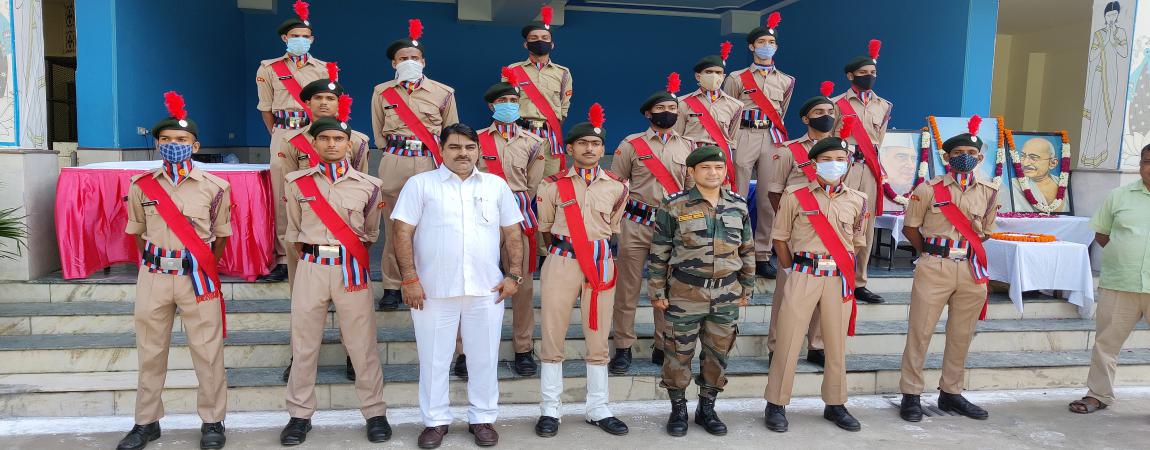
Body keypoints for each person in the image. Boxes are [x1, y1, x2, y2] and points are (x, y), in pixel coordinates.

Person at [391, 124, 524, 449]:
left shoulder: (495, 186)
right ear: (441, 150)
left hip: (487, 290)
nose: (463, 153)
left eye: (469, 147)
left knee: (484, 358)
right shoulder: (420, 184)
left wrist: (514, 275)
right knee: (434, 359)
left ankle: (483, 418)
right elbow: (402, 232)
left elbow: (512, 233)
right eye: (454, 147)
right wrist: (409, 278)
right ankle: (435, 421)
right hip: (432, 291)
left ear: (478, 150)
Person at [117, 92, 230, 450]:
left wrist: (201, 264)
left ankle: (213, 421)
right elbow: (138, 233)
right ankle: (146, 422)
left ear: (195, 146)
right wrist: (156, 261)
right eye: (165, 139)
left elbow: (221, 236)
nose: (173, 144)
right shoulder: (141, 185)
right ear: (157, 145)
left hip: (197, 277)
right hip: (154, 276)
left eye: (181, 139)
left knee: (208, 351)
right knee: (150, 351)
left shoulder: (216, 187)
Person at [278, 105, 391, 446]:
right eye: (324, 138)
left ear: (349, 144)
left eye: (338, 139)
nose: (331, 144)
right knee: (304, 344)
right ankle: (299, 416)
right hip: (312, 266)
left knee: (362, 344)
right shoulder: (296, 183)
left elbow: (371, 232)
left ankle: (375, 413)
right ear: (313, 143)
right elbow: (294, 231)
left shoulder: (370, 185)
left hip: (350, 268)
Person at [534, 104, 631, 438]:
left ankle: (598, 407)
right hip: (562, 259)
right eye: (583, 143)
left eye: (596, 144)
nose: (590, 148)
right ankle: (550, 409)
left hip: (601, 262)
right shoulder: (551, 185)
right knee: (552, 333)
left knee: (598, 335)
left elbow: (613, 226)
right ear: (570, 148)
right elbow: (545, 228)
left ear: (603, 149)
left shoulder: (619, 186)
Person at [648, 145, 754, 437]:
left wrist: (747, 286)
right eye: (705, 168)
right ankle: (678, 409)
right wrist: (657, 290)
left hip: (726, 292)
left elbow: (747, 249)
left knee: (718, 354)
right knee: (677, 353)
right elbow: (659, 251)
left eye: (718, 168)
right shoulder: (674, 205)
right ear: (692, 172)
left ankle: (707, 408)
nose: (713, 173)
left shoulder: (738, 205)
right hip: (685, 292)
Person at [898, 116, 998, 423]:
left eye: (970, 153)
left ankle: (951, 392)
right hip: (935, 266)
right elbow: (910, 228)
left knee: (961, 333)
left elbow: (986, 231)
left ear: (979, 158)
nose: (963, 157)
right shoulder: (928, 189)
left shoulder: (989, 191)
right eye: (957, 153)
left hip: (969, 267)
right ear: (947, 157)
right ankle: (911, 393)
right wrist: (931, 253)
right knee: (920, 331)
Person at [764, 137, 867, 433]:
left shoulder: (859, 199)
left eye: (840, 159)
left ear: (848, 163)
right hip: (804, 273)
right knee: (788, 340)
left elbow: (857, 240)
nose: (835, 164)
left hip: (838, 278)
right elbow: (780, 238)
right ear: (814, 164)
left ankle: (835, 403)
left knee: (835, 343)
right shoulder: (795, 195)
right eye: (827, 159)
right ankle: (776, 403)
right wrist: (791, 270)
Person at [373, 19, 460, 312]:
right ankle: (391, 285)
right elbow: (379, 134)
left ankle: (428, 279)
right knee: (395, 225)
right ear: (393, 64)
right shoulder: (382, 92)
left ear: (423, 62)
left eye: (414, 57)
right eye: (402, 58)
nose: (409, 62)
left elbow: (451, 134)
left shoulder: (443, 92)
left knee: (432, 225)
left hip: (429, 161)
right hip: (395, 160)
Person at [609, 75, 694, 374]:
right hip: (635, 224)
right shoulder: (631, 144)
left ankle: (663, 345)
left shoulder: (689, 145)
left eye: (672, 108)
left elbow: (691, 192)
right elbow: (616, 186)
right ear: (648, 113)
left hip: (671, 228)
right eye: (661, 108)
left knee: (667, 290)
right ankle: (623, 346)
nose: (668, 112)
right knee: (627, 289)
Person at [1068, 144, 1150, 414]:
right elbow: (1102, 234)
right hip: (1120, 282)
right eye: (1147, 161)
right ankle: (1098, 395)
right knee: (1106, 344)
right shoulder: (1119, 196)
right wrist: (1124, 255)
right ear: (1140, 164)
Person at [763, 82, 838, 367]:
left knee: (826, 291)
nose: (826, 116)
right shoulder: (789, 151)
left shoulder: (843, 152)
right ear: (806, 119)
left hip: (831, 233)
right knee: (787, 292)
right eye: (819, 112)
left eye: (830, 112)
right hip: (797, 233)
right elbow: (775, 192)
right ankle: (777, 345)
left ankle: (816, 344)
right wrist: (791, 224)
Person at [477, 77, 548, 376]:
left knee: (522, 285)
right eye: (502, 101)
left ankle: (523, 349)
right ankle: (468, 351)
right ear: (491, 106)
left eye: (513, 102)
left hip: (518, 216)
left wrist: (514, 207)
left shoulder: (534, 142)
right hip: (481, 216)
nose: (508, 106)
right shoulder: (476, 139)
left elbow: (533, 184)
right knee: (476, 283)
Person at [255, 0, 328, 281]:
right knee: (282, 195)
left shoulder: (323, 69)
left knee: (316, 190)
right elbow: (266, 108)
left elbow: (329, 104)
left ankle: (314, 248)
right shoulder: (269, 68)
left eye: (305, 36)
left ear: (312, 39)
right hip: (284, 132)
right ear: (285, 38)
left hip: (314, 133)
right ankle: (284, 258)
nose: (300, 40)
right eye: (294, 36)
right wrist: (277, 135)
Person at [722, 11, 795, 280]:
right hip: (743, 134)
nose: (767, 46)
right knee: (737, 196)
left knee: (768, 198)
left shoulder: (787, 80)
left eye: (771, 42)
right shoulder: (736, 77)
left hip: (770, 137)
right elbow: (728, 109)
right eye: (762, 42)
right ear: (752, 47)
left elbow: (782, 111)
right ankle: (733, 251)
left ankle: (762, 254)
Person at [833, 40, 894, 305]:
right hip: (844, 167)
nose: (869, 76)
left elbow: (878, 140)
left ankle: (859, 281)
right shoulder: (836, 104)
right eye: (863, 73)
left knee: (866, 225)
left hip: (869, 169)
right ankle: (837, 274)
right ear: (850, 76)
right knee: (839, 218)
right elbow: (829, 138)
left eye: (873, 73)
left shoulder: (884, 106)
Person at [504, 5, 573, 178]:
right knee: (518, 179)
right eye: (534, 38)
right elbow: (505, 102)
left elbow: (564, 106)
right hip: (520, 132)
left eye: (544, 38)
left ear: (552, 44)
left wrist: (552, 127)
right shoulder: (513, 70)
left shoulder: (563, 73)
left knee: (550, 181)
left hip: (550, 136)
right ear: (526, 44)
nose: (539, 41)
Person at [674, 49, 743, 191]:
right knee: (692, 198)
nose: (714, 75)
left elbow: (731, 139)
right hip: (692, 158)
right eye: (709, 72)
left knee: (721, 199)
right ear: (698, 76)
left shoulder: (736, 105)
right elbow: (677, 137)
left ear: (723, 76)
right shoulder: (682, 103)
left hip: (719, 160)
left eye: (718, 72)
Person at [1011, 137, 1068, 213]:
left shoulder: (1063, 183)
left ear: (1053, 163)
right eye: (1022, 156)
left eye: (1033, 158)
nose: (1025, 163)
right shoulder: (1013, 185)